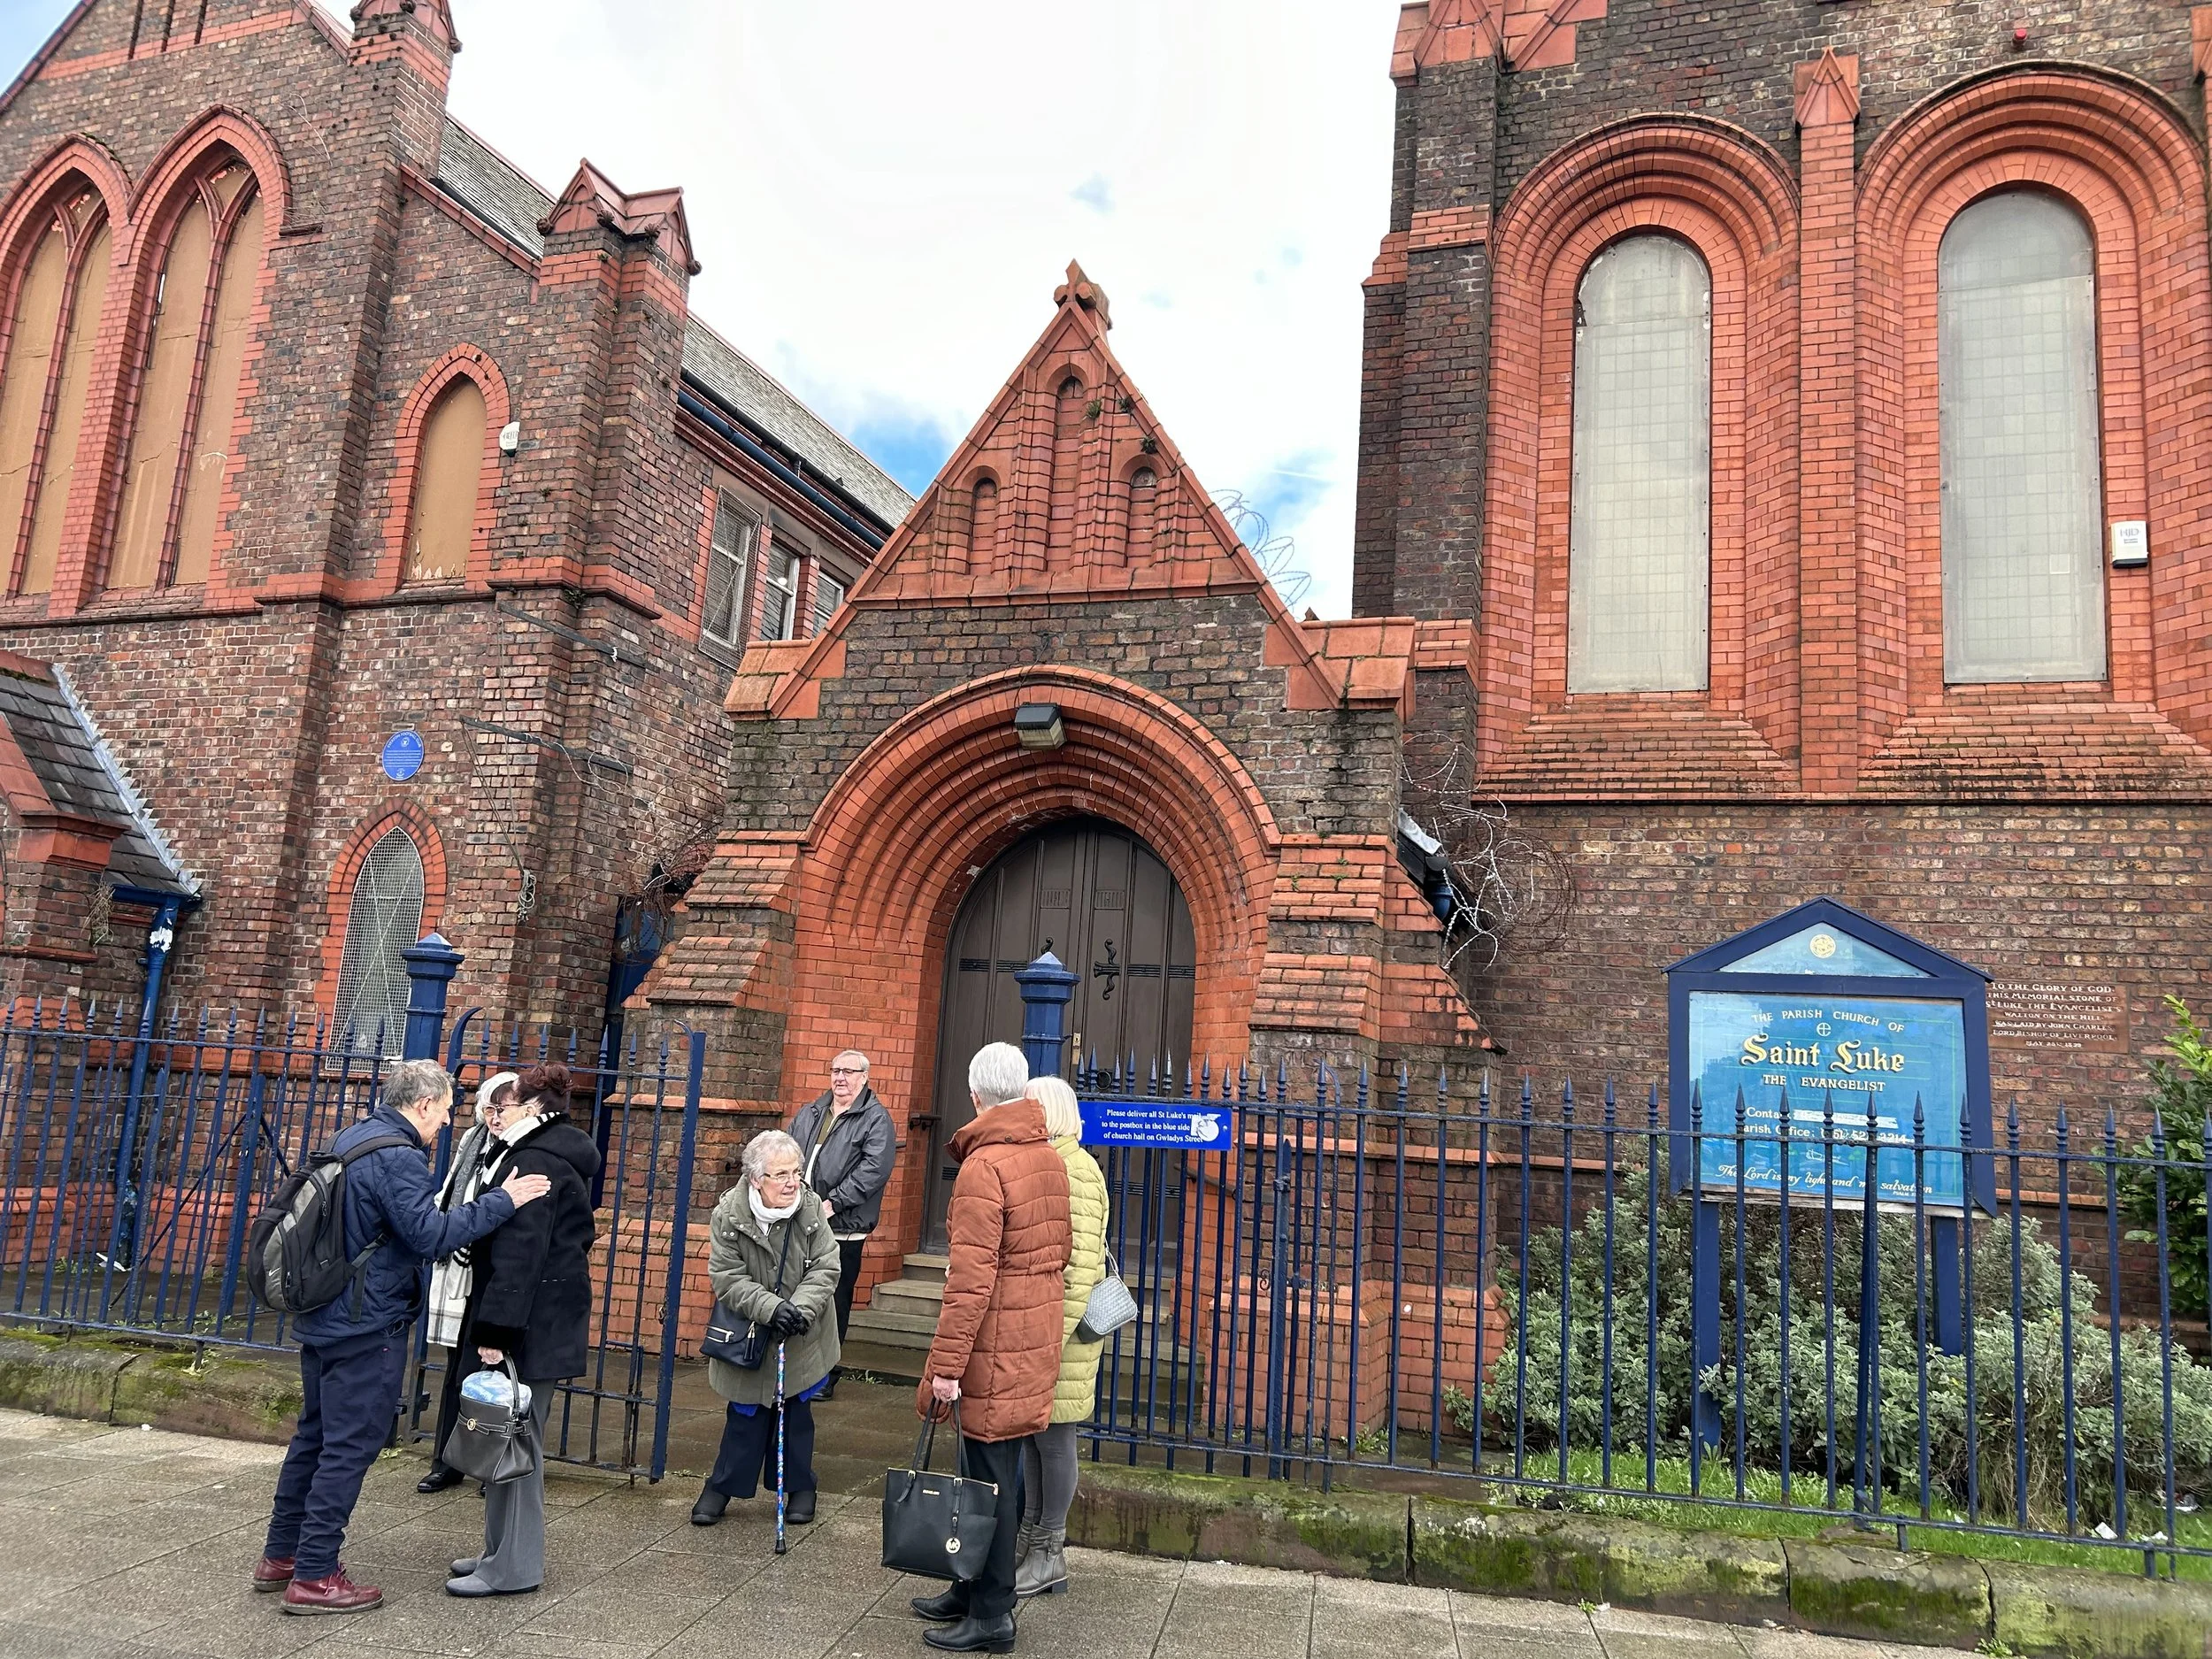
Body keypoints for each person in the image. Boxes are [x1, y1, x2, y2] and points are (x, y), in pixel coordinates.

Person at [256, 1059, 550, 1616]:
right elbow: (431, 1236)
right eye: (443, 1111)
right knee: (348, 1448)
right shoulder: (398, 1157)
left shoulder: (354, 1136)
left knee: (314, 1438)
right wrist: (502, 1202)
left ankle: (283, 1555)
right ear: (422, 1105)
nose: (444, 1124)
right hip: (367, 1324)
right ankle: (316, 1574)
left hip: (326, 1316)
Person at [910, 1042, 1070, 1654]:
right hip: (1030, 1340)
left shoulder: (984, 1165)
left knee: (989, 1481)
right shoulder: (1047, 1157)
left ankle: (993, 1613)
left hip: (994, 1346)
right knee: (995, 1475)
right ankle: (969, 1585)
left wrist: (944, 1370)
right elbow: (1062, 1253)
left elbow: (969, 1282)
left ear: (976, 1095)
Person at [445, 1064, 603, 1599]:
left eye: (503, 1107)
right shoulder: (553, 1151)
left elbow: (520, 1256)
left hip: (530, 1320)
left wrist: (497, 1332)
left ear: (533, 1108)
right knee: (505, 1437)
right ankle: (498, 1552)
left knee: (516, 1444)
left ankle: (513, 1567)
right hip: (546, 1315)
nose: (493, 1117)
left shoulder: (534, 1158)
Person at [692, 1128, 841, 1528]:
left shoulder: (809, 1209)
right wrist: (771, 1307)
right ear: (757, 1180)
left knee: (796, 1414)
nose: (792, 1182)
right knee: (744, 1414)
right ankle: (722, 1486)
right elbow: (726, 1277)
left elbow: (827, 1265)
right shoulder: (729, 1214)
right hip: (750, 1333)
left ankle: (800, 1486)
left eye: (796, 1172)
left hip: (802, 1333)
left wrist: (799, 1309)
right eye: (780, 1175)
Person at [1012, 1076, 1106, 1600]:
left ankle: (1049, 1550)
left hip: (1061, 1333)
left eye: (1030, 1107)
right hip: (1047, 1327)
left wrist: (1050, 1336)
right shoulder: (1053, 1163)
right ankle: (1031, 1540)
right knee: (1036, 1434)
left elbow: (1079, 1268)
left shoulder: (1075, 1170)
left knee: (1055, 1437)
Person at [418, 1070, 519, 1495]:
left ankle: (490, 1464)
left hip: (498, 1274)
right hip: (461, 1266)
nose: (494, 1118)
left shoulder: (523, 1147)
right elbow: (452, 1189)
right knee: (458, 1369)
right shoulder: (472, 1141)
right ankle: (448, 1459)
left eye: (502, 1109)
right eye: (488, 1109)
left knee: (496, 1373)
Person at [787, 1048, 895, 1397]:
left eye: (849, 1071)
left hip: (843, 1227)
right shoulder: (812, 1112)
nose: (840, 1078)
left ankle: (825, 1375)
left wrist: (834, 1203)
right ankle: (796, 1370)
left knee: (834, 1302)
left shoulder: (876, 1119)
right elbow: (787, 1151)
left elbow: (873, 1171)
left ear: (864, 1077)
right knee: (799, 1294)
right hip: (803, 1221)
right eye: (835, 1070)